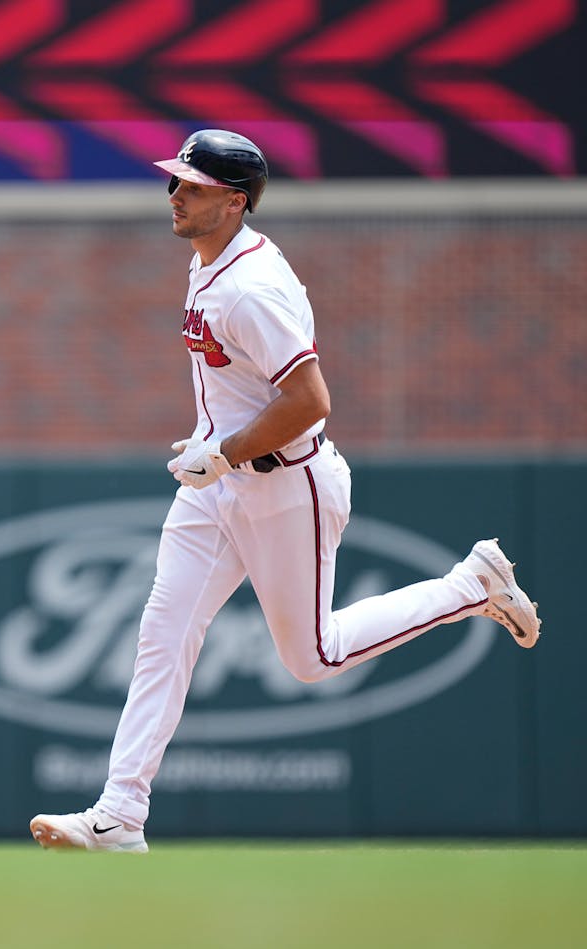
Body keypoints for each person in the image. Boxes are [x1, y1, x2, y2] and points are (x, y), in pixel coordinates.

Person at [29, 130, 543, 854]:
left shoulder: (249, 288)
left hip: (286, 483)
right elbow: (239, 383)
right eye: (175, 180)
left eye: (193, 185)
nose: (175, 193)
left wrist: (228, 448)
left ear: (235, 202)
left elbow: (311, 398)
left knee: (313, 657)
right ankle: (121, 814)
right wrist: (213, 439)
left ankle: (470, 585)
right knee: (162, 632)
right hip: (220, 485)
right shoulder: (209, 261)